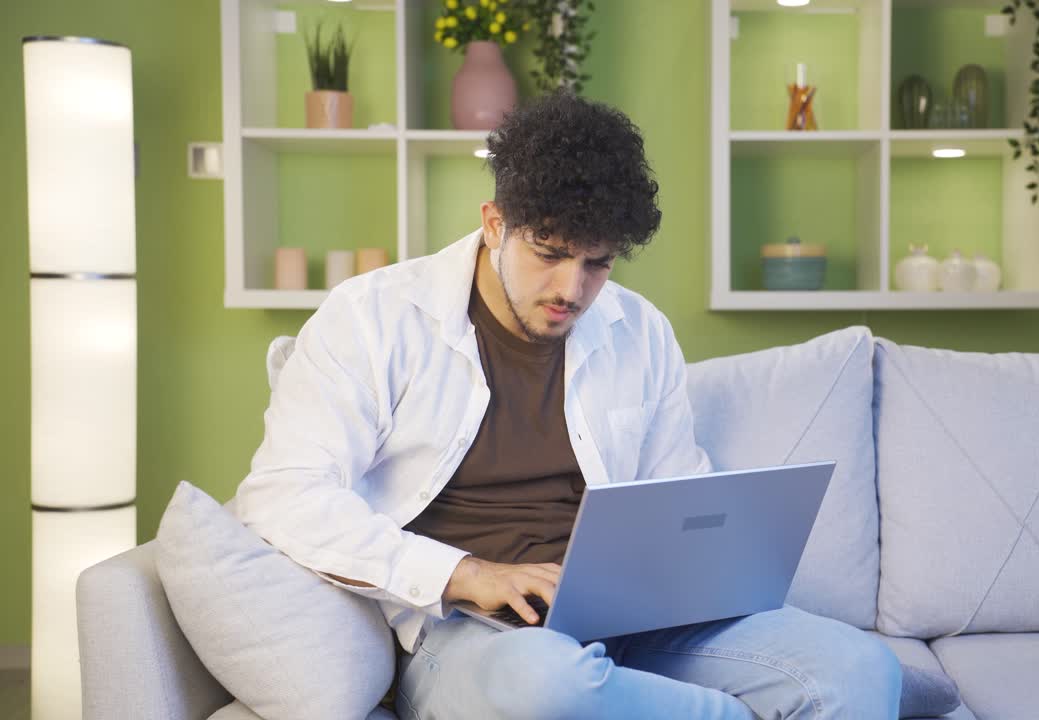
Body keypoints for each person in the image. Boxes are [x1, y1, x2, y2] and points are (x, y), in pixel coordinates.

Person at [233, 90, 902, 719]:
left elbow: (677, 489)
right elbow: (283, 495)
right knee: (549, 687)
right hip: (471, 632)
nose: (571, 290)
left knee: (863, 670)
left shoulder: (639, 332)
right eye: (549, 253)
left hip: (628, 621)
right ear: (495, 224)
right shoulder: (374, 319)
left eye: (597, 263)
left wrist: (708, 559)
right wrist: (469, 574)